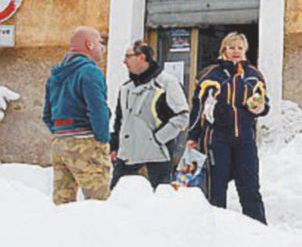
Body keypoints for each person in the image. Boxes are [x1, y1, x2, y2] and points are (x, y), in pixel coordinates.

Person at [188, 32, 269, 223]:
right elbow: (198, 107)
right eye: (231, 47)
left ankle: (259, 229)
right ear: (223, 49)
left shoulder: (254, 76)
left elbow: (265, 104)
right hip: (217, 139)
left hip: (245, 139)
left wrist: (260, 107)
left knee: (250, 187)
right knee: (216, 187)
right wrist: (193, 136)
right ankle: (215, 229)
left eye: (240, 48)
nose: (236, 52)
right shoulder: (210, 75)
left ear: (245, 51)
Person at [41, 26, 112, 204]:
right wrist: (102, 139)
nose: (102, 48)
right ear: (89, 44)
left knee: (63, 202)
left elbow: (47, 115)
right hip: (85, 142)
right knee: (97, 201)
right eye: (99, 43)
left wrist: (62, 132)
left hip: (60, 142)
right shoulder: (90, 71)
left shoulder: (55, 75)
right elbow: (98, 109)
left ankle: (63, 231)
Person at [109, 41, 190, 190]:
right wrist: (115, 145)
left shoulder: (167, 83)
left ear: (142, 57)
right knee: (117, 201)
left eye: (128, 56)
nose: (124, 61)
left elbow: (182, 115)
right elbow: (119, 120)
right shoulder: (125, 88)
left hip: (156, 158)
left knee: (156, 204)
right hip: (126, 157)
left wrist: (158, 139)